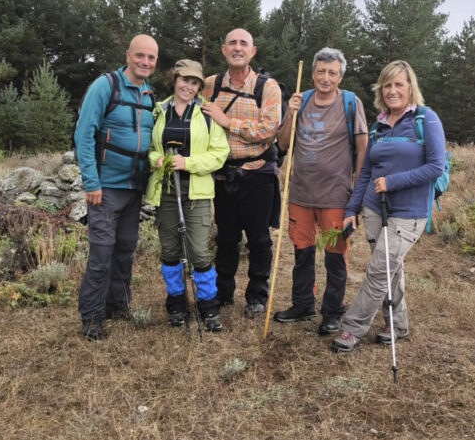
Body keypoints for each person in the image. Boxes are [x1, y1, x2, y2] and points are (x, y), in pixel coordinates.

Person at [331, 60, 446, 353]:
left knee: (379, 270)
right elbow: (366, 173)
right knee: (389, 269)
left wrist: (393, 182)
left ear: (410, 88)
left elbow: (435, 166)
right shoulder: (379, 124)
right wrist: (350, 210)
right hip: (373, 208)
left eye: (399, 85)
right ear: (381, 90)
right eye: (387, 85)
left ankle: (352, 328)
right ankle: (398, 324)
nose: (392, 90)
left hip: (409, 213)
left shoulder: (426, 119)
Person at [273, 47, 368, 336]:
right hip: (300, 194)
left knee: (334, 254)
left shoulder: (351, 103)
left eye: (332, 73)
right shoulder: (300, 102)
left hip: (335, 196)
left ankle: (332, 312)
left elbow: (362, 146)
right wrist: (290, 113)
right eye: (321, 71)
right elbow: (283, 145)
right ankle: (303, 304)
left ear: (340, 76)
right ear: (313, 72)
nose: (326, 78)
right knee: (302, 252)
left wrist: (358, 190)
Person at [73, 34, 158, 340]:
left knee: (125, 250)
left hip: (134, 188)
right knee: (101, 254)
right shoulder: (105, 86)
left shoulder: (150, 95)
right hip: (106, 188)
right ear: (128, 55)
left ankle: (118, 304)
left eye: (151, 58)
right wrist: (92, 181)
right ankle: (92, 317)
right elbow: (84, 135)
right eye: (140, 56)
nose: (145, 62)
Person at [201, 28, 283, 319]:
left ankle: (257, 295)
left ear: (253, 51)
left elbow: (269, 129)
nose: (237, 48)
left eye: (243, 44)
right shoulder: (209, 85)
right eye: (232, 43)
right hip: (223, 175)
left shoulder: (268, 87)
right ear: (223, 49)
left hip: (258, 174)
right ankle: (223, 292)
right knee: (226, 237)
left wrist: (227, 121)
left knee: (259, 238)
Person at [145, 59, 230, 332]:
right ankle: (177, 303)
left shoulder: (205, 114)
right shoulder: (159, 111)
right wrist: (158, 159)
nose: (189, 87)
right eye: (185, 80)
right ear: (174, 79)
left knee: (198, 252)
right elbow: (147, 148)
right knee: (170, 251)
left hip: (197, 192)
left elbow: (220, 153)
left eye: (195, 83)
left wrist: (188, 163)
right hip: (166, 191)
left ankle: (208, 306)